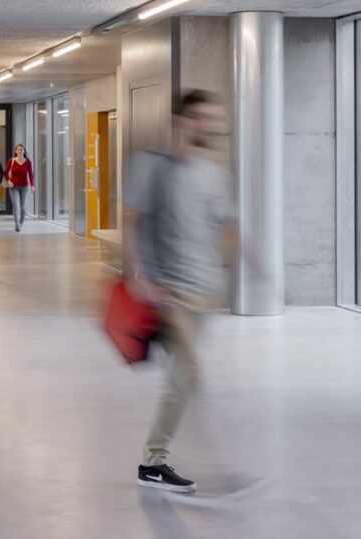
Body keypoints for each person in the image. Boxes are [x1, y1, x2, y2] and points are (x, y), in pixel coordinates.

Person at [123, 90, 236, 494]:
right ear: (182, 121)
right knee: (188, 372)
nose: (214, 126)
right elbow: (132, 221)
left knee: (182, 376)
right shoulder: (151, 166)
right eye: (205, 117)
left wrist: (239, 269)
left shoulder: (215, 175)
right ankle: (155, 462)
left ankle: (159, 462)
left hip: (204, 293)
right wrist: (137, 276)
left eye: (216, 118)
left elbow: (224, 227)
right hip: (170, 293)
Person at [4, 144, 34, 232]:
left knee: (23, 208)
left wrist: (32, 185)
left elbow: (31, 174)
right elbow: (5, 173)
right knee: (16, 206)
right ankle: (17, 224)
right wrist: (8, 181)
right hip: (14, 187)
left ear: (24, 151)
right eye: (18, 149)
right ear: (15, 151)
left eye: (21, 149)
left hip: (25, 187)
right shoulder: (11, 161)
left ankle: (21, 223)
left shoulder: (28, 162)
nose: (20, 151)